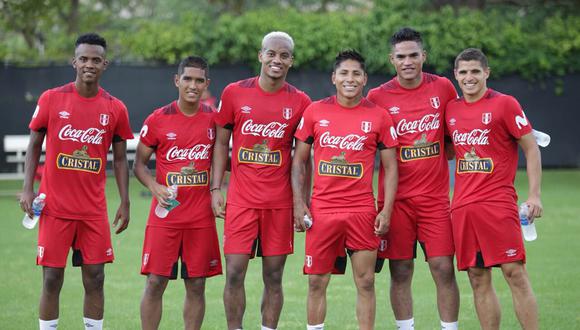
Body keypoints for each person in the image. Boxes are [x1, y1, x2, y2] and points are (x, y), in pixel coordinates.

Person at [19, 33, 133, 330]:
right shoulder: (52, 98)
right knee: (52, 278)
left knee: (95, 277)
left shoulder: (115, 108)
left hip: (93, 211)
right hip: (55, 207)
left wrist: (125, 200)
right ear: (74, 61)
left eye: (96, 60)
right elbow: (34, 144)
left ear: (104, 64)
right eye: (83, 59)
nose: (89, 65)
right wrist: (27, 188)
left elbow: (120, 159)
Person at [211, 31, 311, 330]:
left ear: (291, 61)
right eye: (271, 53)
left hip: (279, 203)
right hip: (241, 201)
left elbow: (303, 159)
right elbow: (220, 143)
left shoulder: (301, 102)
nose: (276, 60)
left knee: (274, 276)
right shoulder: (234, 93)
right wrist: (216, 187)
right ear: (260, 55)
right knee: (235, 273)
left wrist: (300, 202)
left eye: (283, 55)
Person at [292, 49, 398, 330]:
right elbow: (298, 161)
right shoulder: (315, 111)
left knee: (365, 281)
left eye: (356, 74)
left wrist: (385, 210)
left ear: (364, 79)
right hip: (323, 210)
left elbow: (391, 168)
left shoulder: (379, 116)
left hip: (361, 211)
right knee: (316, 281)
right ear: (334, 78)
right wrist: (298, 203)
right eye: (344, 73)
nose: (349, 79)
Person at [367, 27, 460, 330]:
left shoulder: (444, 87)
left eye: (413, 55)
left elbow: (452, 136)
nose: (408, 61)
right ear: (391, 59)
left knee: (443, 268)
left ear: (424, 56)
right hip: (396, 203)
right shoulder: (377, 97)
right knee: (401, 270)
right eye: (401, 56)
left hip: (435, 201)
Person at [446, 48, 542, 330]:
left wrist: (534, 194)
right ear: (456, 75)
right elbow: (450, 150)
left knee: (514, 273)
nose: (469, 77)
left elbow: (531, 147)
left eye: (475, 71)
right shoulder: (451, 109)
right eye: (463, 72)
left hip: (497, 204)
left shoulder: (505, 104)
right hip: (462, 207)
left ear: (486, 72)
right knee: (477, 276)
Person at [134, 56, 222, 330]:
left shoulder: (215, 119)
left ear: (206, 84)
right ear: (177, 80)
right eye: (187, 79)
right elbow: (138, 164)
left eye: (199, 80)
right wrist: (153, 185)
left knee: (196, 284)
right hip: (166, 216)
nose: (193, 85)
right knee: (155, 281)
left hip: (200, 217)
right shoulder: (158, 118)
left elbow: (222, 159)